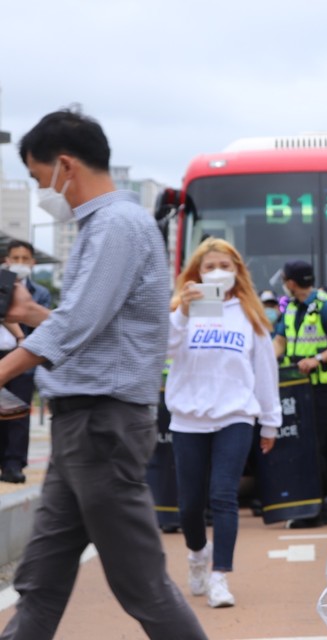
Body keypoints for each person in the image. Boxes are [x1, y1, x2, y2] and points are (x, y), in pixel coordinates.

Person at [0, 110, 206, 639]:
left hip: (102, 425)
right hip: (84, 426)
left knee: (141, 584)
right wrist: (36, 318)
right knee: (40, 579)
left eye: (35, 174)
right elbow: (100, 327)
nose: (40, 187)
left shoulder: (117, 224)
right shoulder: (109, 226)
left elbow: (80, 322)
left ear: (64, 165)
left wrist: (3, 370)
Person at [166, 238, 280, 608]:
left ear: (237, 272)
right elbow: (162, 348)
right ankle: (198, 554)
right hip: (188, 418)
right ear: (196, 273)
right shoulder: (180, 311)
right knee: (189, 505)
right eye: (209, 266)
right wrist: (182, 310)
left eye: (225, 266)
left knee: (224, 495)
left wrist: (269, 422)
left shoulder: (249, 315)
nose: (217, 272)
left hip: (235, 415)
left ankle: (219, 577)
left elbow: (265, 371)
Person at [273, 260, 327, 527]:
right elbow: (280, 341)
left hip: (322, 389)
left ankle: (318, 511)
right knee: (303, 447)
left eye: (286, 279)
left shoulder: (326, 305)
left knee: (318, 447)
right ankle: (308, 506)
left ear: (293, 282)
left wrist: (318, 359)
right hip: (296, 387)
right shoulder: (290, 307)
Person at [0, 240, 51, 483]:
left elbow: (46, 327)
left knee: (18, 414)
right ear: (6, 260)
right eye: (15, 258)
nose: (20, 262)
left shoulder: (40, 293)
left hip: (26, 358)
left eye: (24, 258)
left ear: (32, 262)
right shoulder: (1, 286)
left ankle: (13, 464)